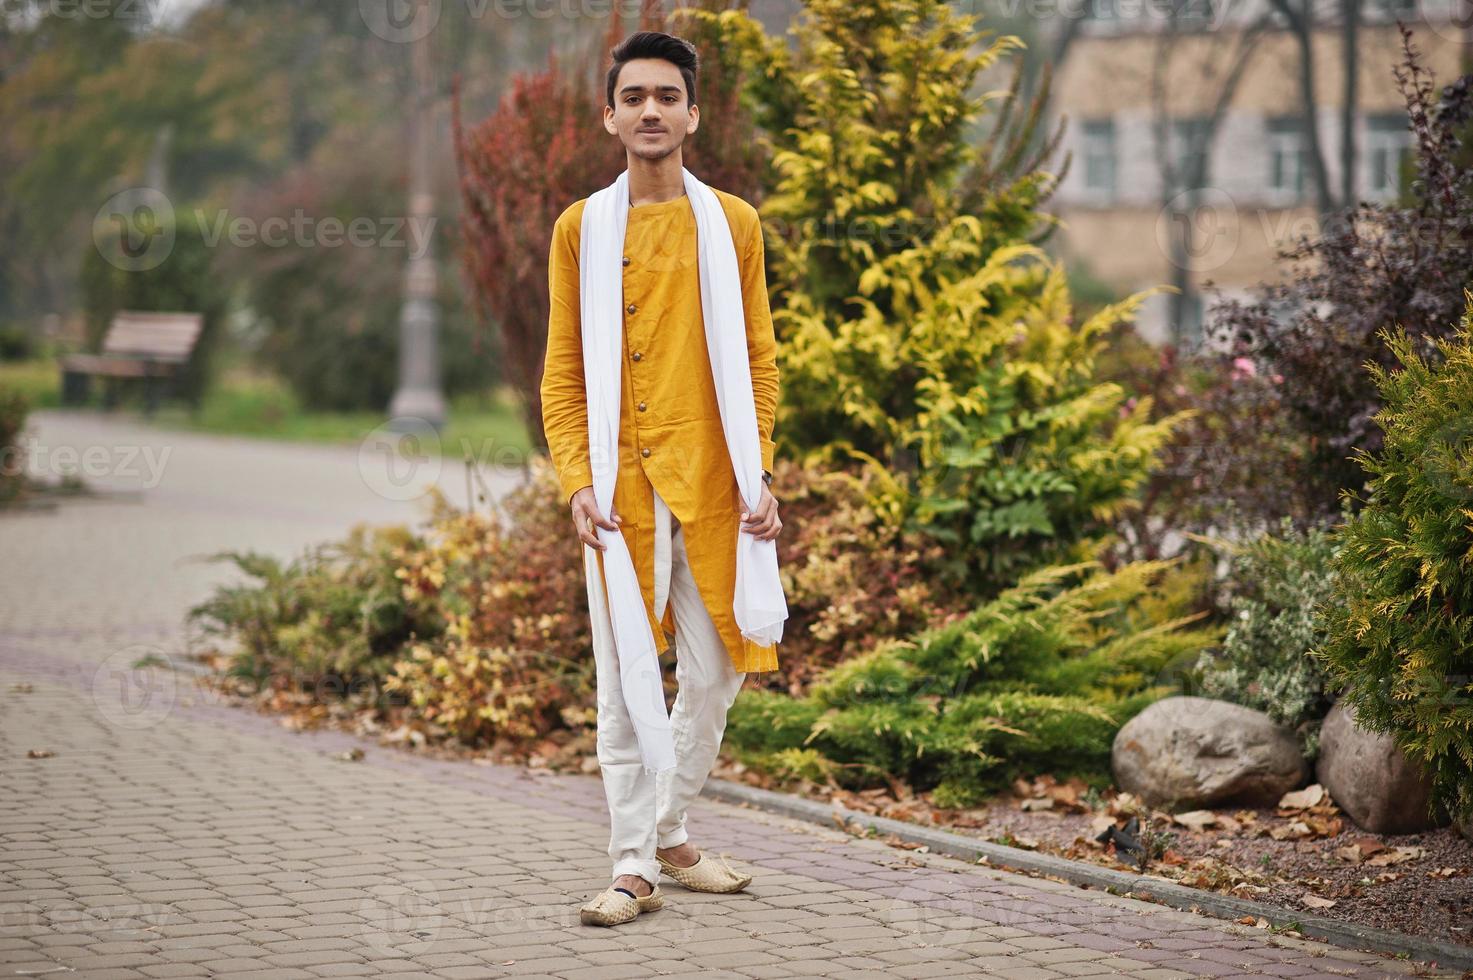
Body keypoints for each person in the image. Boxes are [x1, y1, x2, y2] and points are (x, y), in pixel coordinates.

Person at [539, 30, 786, 928]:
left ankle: (669, 827)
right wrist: (576, 481)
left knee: (718, 670)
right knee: (623, 680)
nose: (650, 110)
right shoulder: (581, 229)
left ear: (692, 113)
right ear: (609, 116)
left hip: (717, 489)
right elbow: (564, 371)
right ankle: (635, 862)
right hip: (619, 494)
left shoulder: (733, 225)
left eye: (666, 97)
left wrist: (759, 469)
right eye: (633, 97)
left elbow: (758, 361)